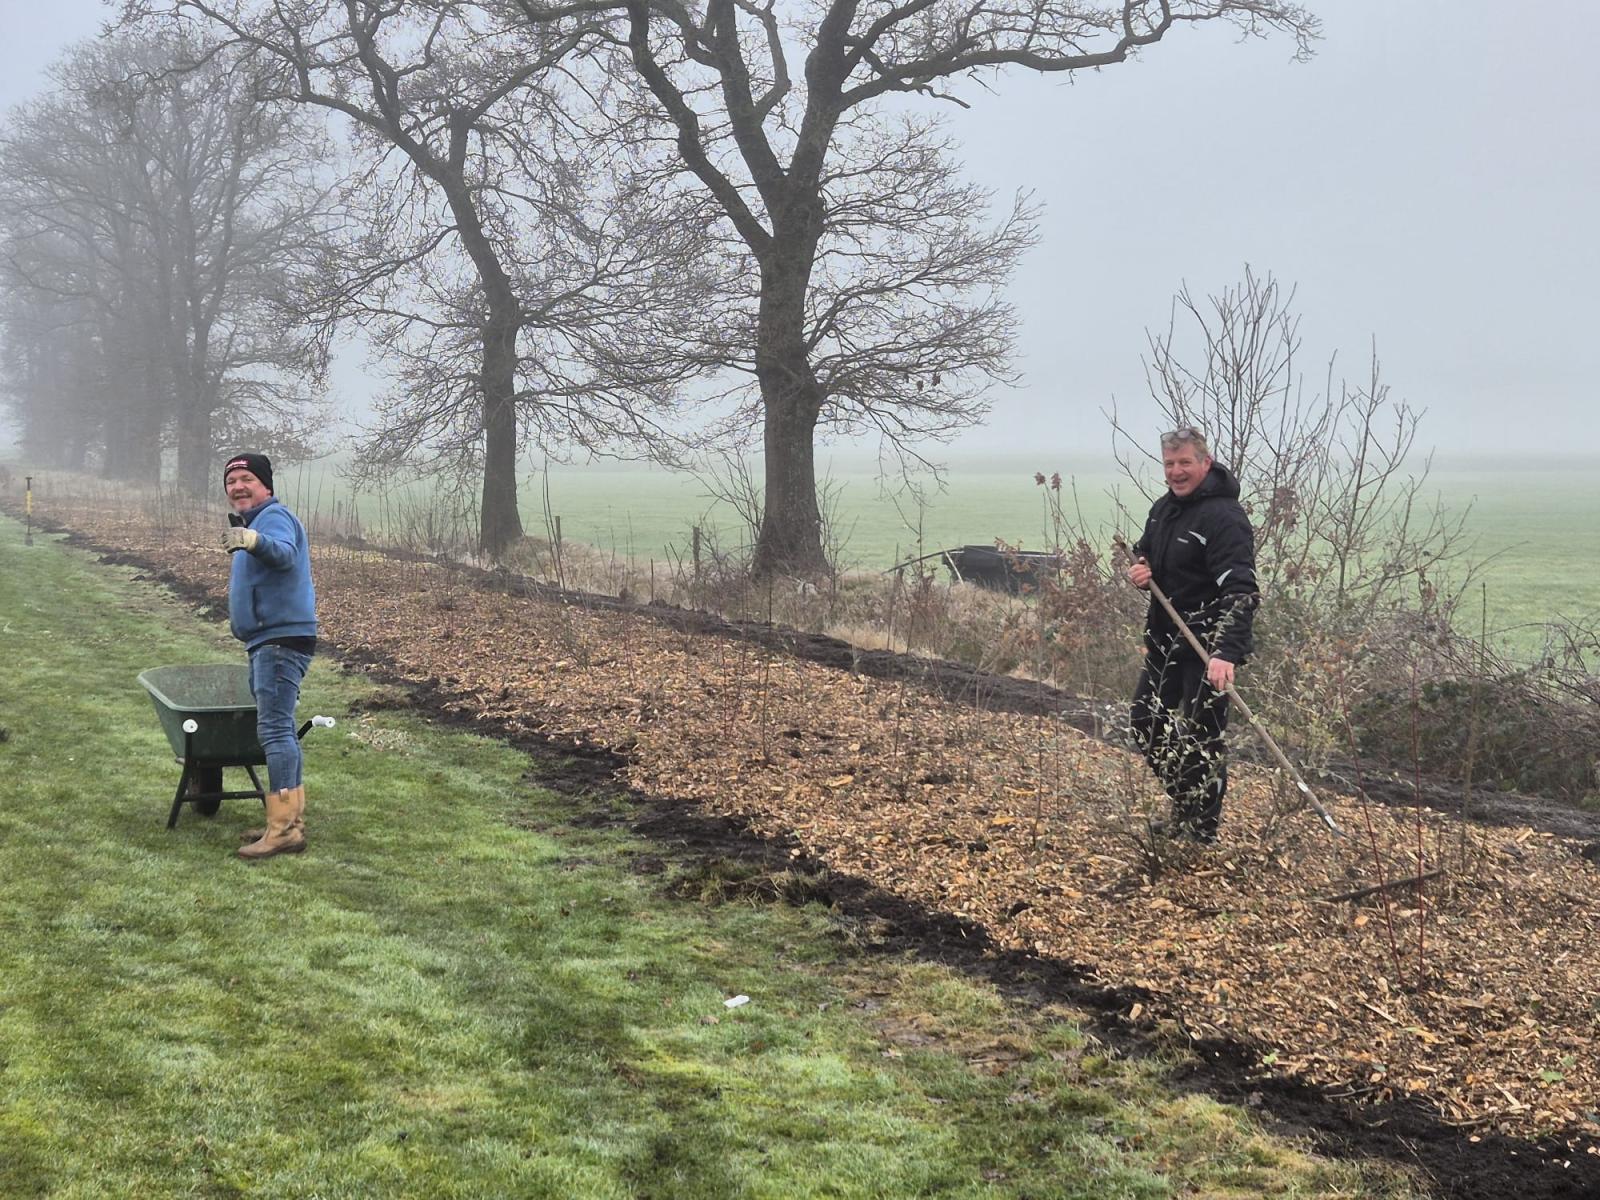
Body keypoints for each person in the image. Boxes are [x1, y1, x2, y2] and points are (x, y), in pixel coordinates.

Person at [1126, 427, 1258, 843]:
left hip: (1206, 650)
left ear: (1206, 461)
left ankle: (1201, 831)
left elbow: (1241, 590)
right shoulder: (1164, 508)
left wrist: (1226, 653)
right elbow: (1146, 550)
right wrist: (1141, 571)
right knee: (1147, 723)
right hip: (1166, 643)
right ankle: (1187, 804)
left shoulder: (1225, 518)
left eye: (1185, 462)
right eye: (1169, 463)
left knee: (1203, 740)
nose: (1176, 471)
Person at [222, 452, 318, 860]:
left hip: (279, 640)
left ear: (265, 485)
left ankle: (282, 830)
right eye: (231, 481)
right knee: (280, 730)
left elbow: (283, 554)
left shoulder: (272, 518)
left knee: (276, 732)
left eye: (246, 478)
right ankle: (287, 822)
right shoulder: (258, 519)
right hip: (271, 639)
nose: (238, 486)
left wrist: (253, 540)